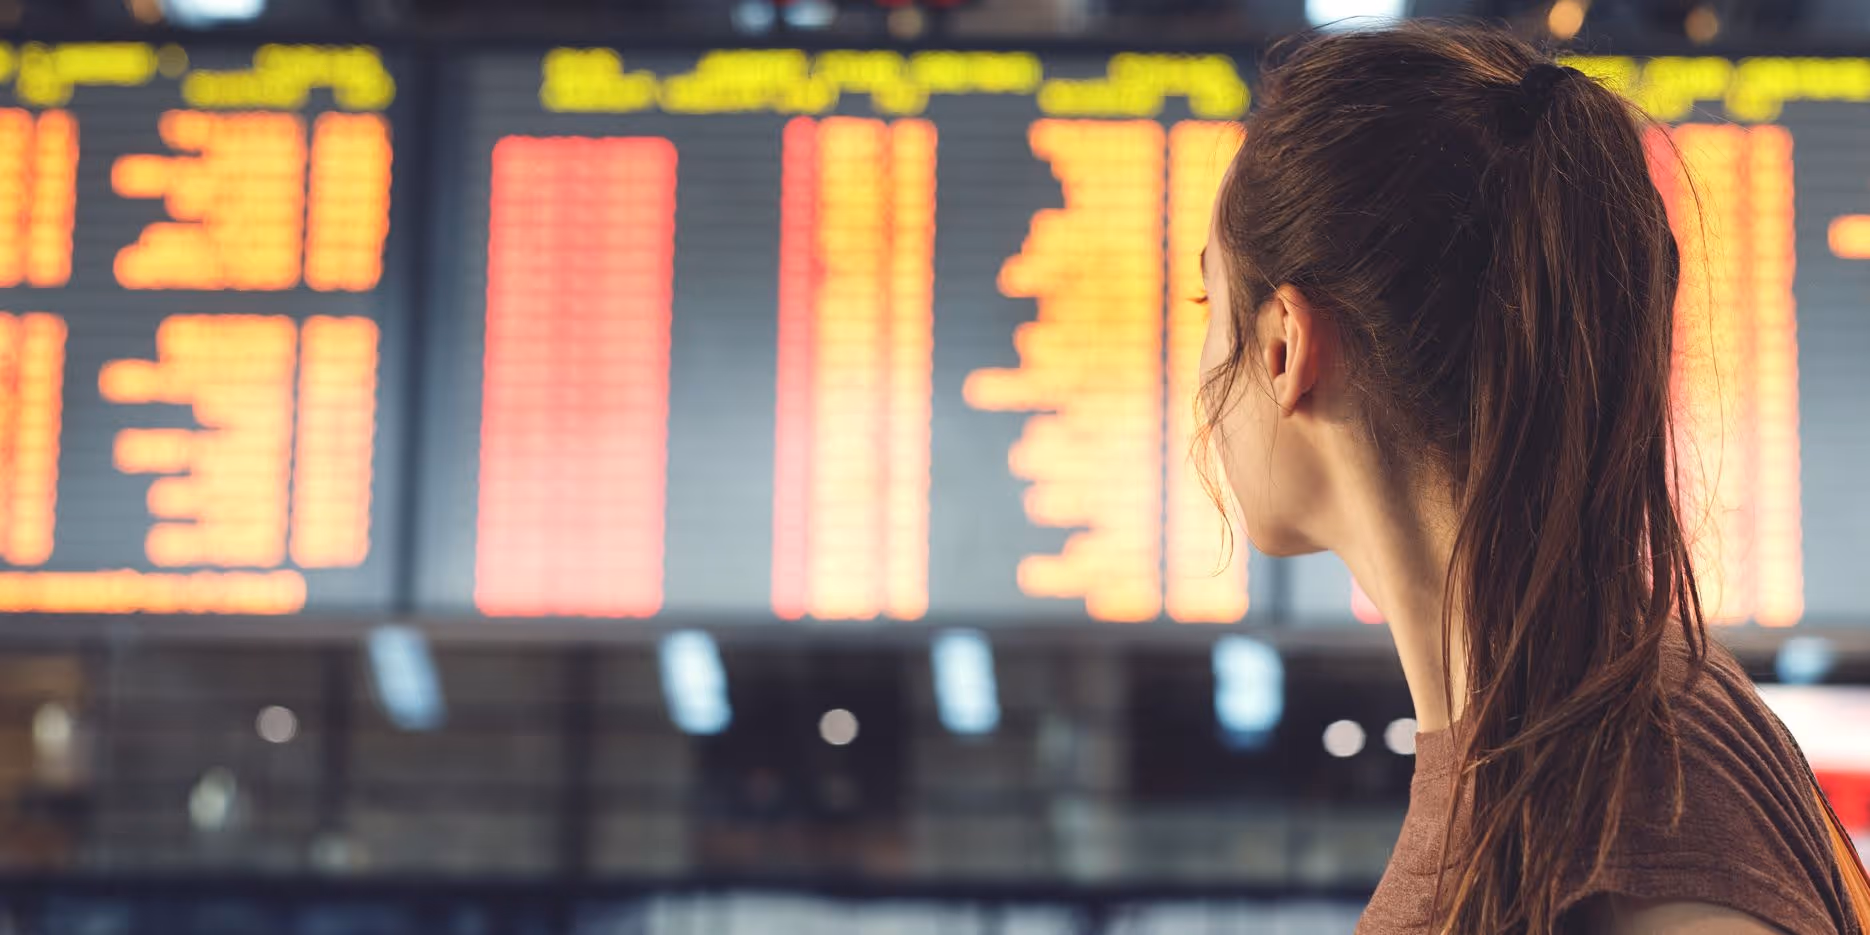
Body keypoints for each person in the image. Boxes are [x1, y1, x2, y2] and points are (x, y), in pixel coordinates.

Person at [1191, 21, 1870, 935]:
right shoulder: (1587, 740)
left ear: (1282, 346)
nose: (1199, 380)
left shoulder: (1629, 776)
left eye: (1208, 302)